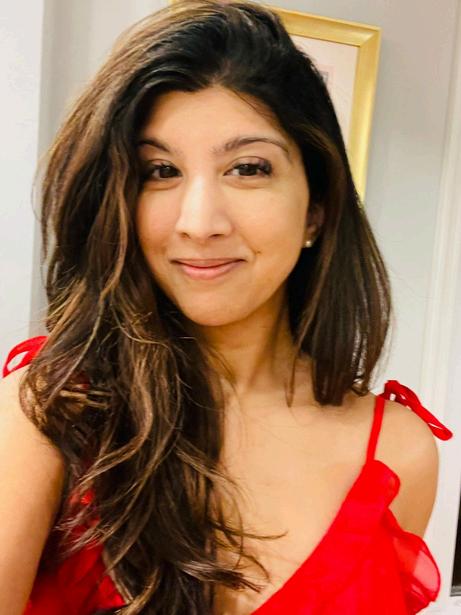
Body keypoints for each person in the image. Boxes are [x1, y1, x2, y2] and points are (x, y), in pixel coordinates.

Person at [0, 0, 453, 613]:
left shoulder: (398, 455)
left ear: (316, 208)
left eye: (247, 168)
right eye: (160, 170)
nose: (199, 222)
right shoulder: (48, 413)